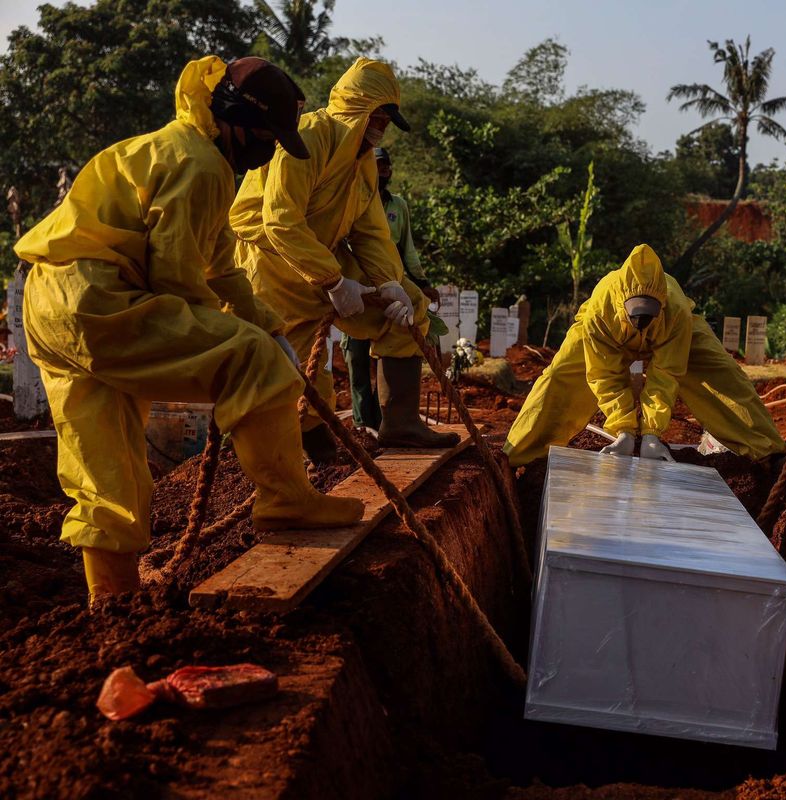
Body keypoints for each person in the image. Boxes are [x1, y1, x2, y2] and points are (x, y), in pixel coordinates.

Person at [14, 56, 365, 601]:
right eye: (267, 136)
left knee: (105, 459)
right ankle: (286, 500)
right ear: (233, 118)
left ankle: (112, 599)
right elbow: (176, 278)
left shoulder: (182, 151)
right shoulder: (200, 165)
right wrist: (260, 348)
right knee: (252, 361)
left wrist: (268, 325)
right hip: (105, 302)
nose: (268, 151)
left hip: (54, 306)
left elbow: (221, 266)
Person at [230, 58, 459, 461]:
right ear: (360, 110)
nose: (382, 130)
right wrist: (334, 283)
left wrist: (390, 282)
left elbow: (370, 231)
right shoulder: (308, 138)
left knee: (408, 310)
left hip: (324, 256)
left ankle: (400, 423)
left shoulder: (363, 160)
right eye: (380, 119)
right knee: (301, 373)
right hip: (272, 264)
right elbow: (280, 222)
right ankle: (316, 458)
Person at [504, 244, 786, 467]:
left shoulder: (677, 313)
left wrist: (651, 434)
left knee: (723, 375)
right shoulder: (600, 313)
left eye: (649, 314)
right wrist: (624, 429)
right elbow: (605, 374)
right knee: (559, 377)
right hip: (606, 332)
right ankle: (518, 456)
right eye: (636, 314)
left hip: (676, 328)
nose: (642, 322)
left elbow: (666, 373)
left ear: (661, 304)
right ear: (621, 303)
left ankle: (767, 452)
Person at [340, 146, 440, 430]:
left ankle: (388, 421)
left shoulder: (398, 206)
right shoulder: (352, 196)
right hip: (356, 281)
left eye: (385, 166)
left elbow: (407, 248)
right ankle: (362, 424)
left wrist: (421, 284)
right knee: (356, 356)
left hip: (391, 282)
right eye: (377, 165)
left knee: (390, 350)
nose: (382, 171)